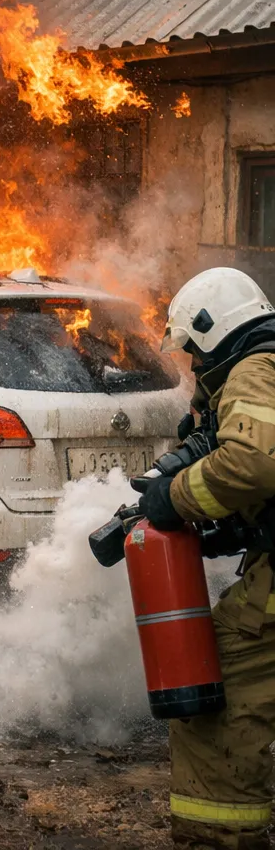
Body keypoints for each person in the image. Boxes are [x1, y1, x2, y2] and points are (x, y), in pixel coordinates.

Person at [134, 267, 275, 850]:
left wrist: (175, 496)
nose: (193, 364)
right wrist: (234, 528)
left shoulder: (253, 369)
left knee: (219, 681)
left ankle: (219, 832)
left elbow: (255, 463)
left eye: (194, 349)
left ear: (215, 331)